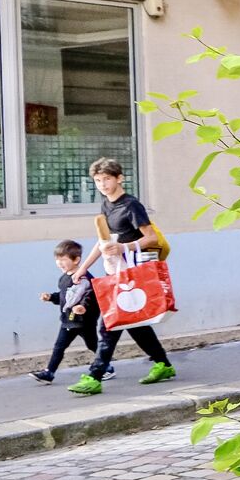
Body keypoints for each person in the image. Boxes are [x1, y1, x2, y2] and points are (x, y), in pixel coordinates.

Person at [70, 157, 176, 395]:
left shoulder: (131, 205)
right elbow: (103, 241)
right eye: (98, 180)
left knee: (109, 323)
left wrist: (124, 248)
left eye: (107, 179)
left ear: (119, 178)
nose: (102, 184)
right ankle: (163, 364)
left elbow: (152, 238)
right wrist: (82, 268)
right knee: (135, 324)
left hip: (131, 274)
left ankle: (95, 375)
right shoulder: (106, 205)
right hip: (114, 272)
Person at [30, 239, 98, 383]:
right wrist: (51, 297)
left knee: (93, 344)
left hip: (83, 321)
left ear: (76, 260)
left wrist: (83, 306)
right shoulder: (64, 277)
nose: (59, 263)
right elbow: (65, 297)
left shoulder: (83, 278)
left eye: (63, 259)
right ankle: (49, 373)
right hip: (68, 320)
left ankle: (106, 366)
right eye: (57, 259)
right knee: (59, 346)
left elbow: (90, 295)